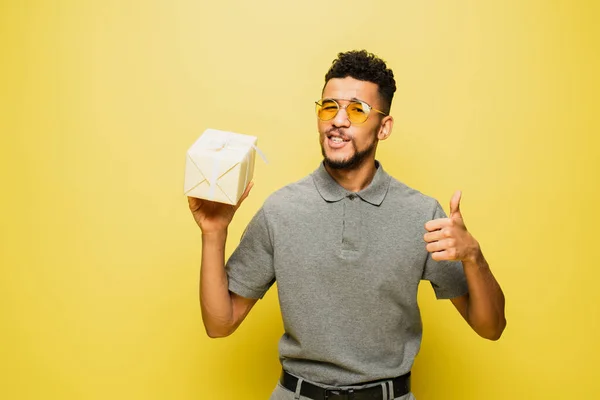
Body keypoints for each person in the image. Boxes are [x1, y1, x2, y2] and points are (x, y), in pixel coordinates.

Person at [188, 50, 506, 400]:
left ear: (383, 127)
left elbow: (490, 327)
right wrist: (213, 233)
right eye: (328, 107)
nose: (337, 120)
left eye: (356, 110)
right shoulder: (281, 210)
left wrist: (474, 257)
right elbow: (220, 324)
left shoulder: (422, 214)